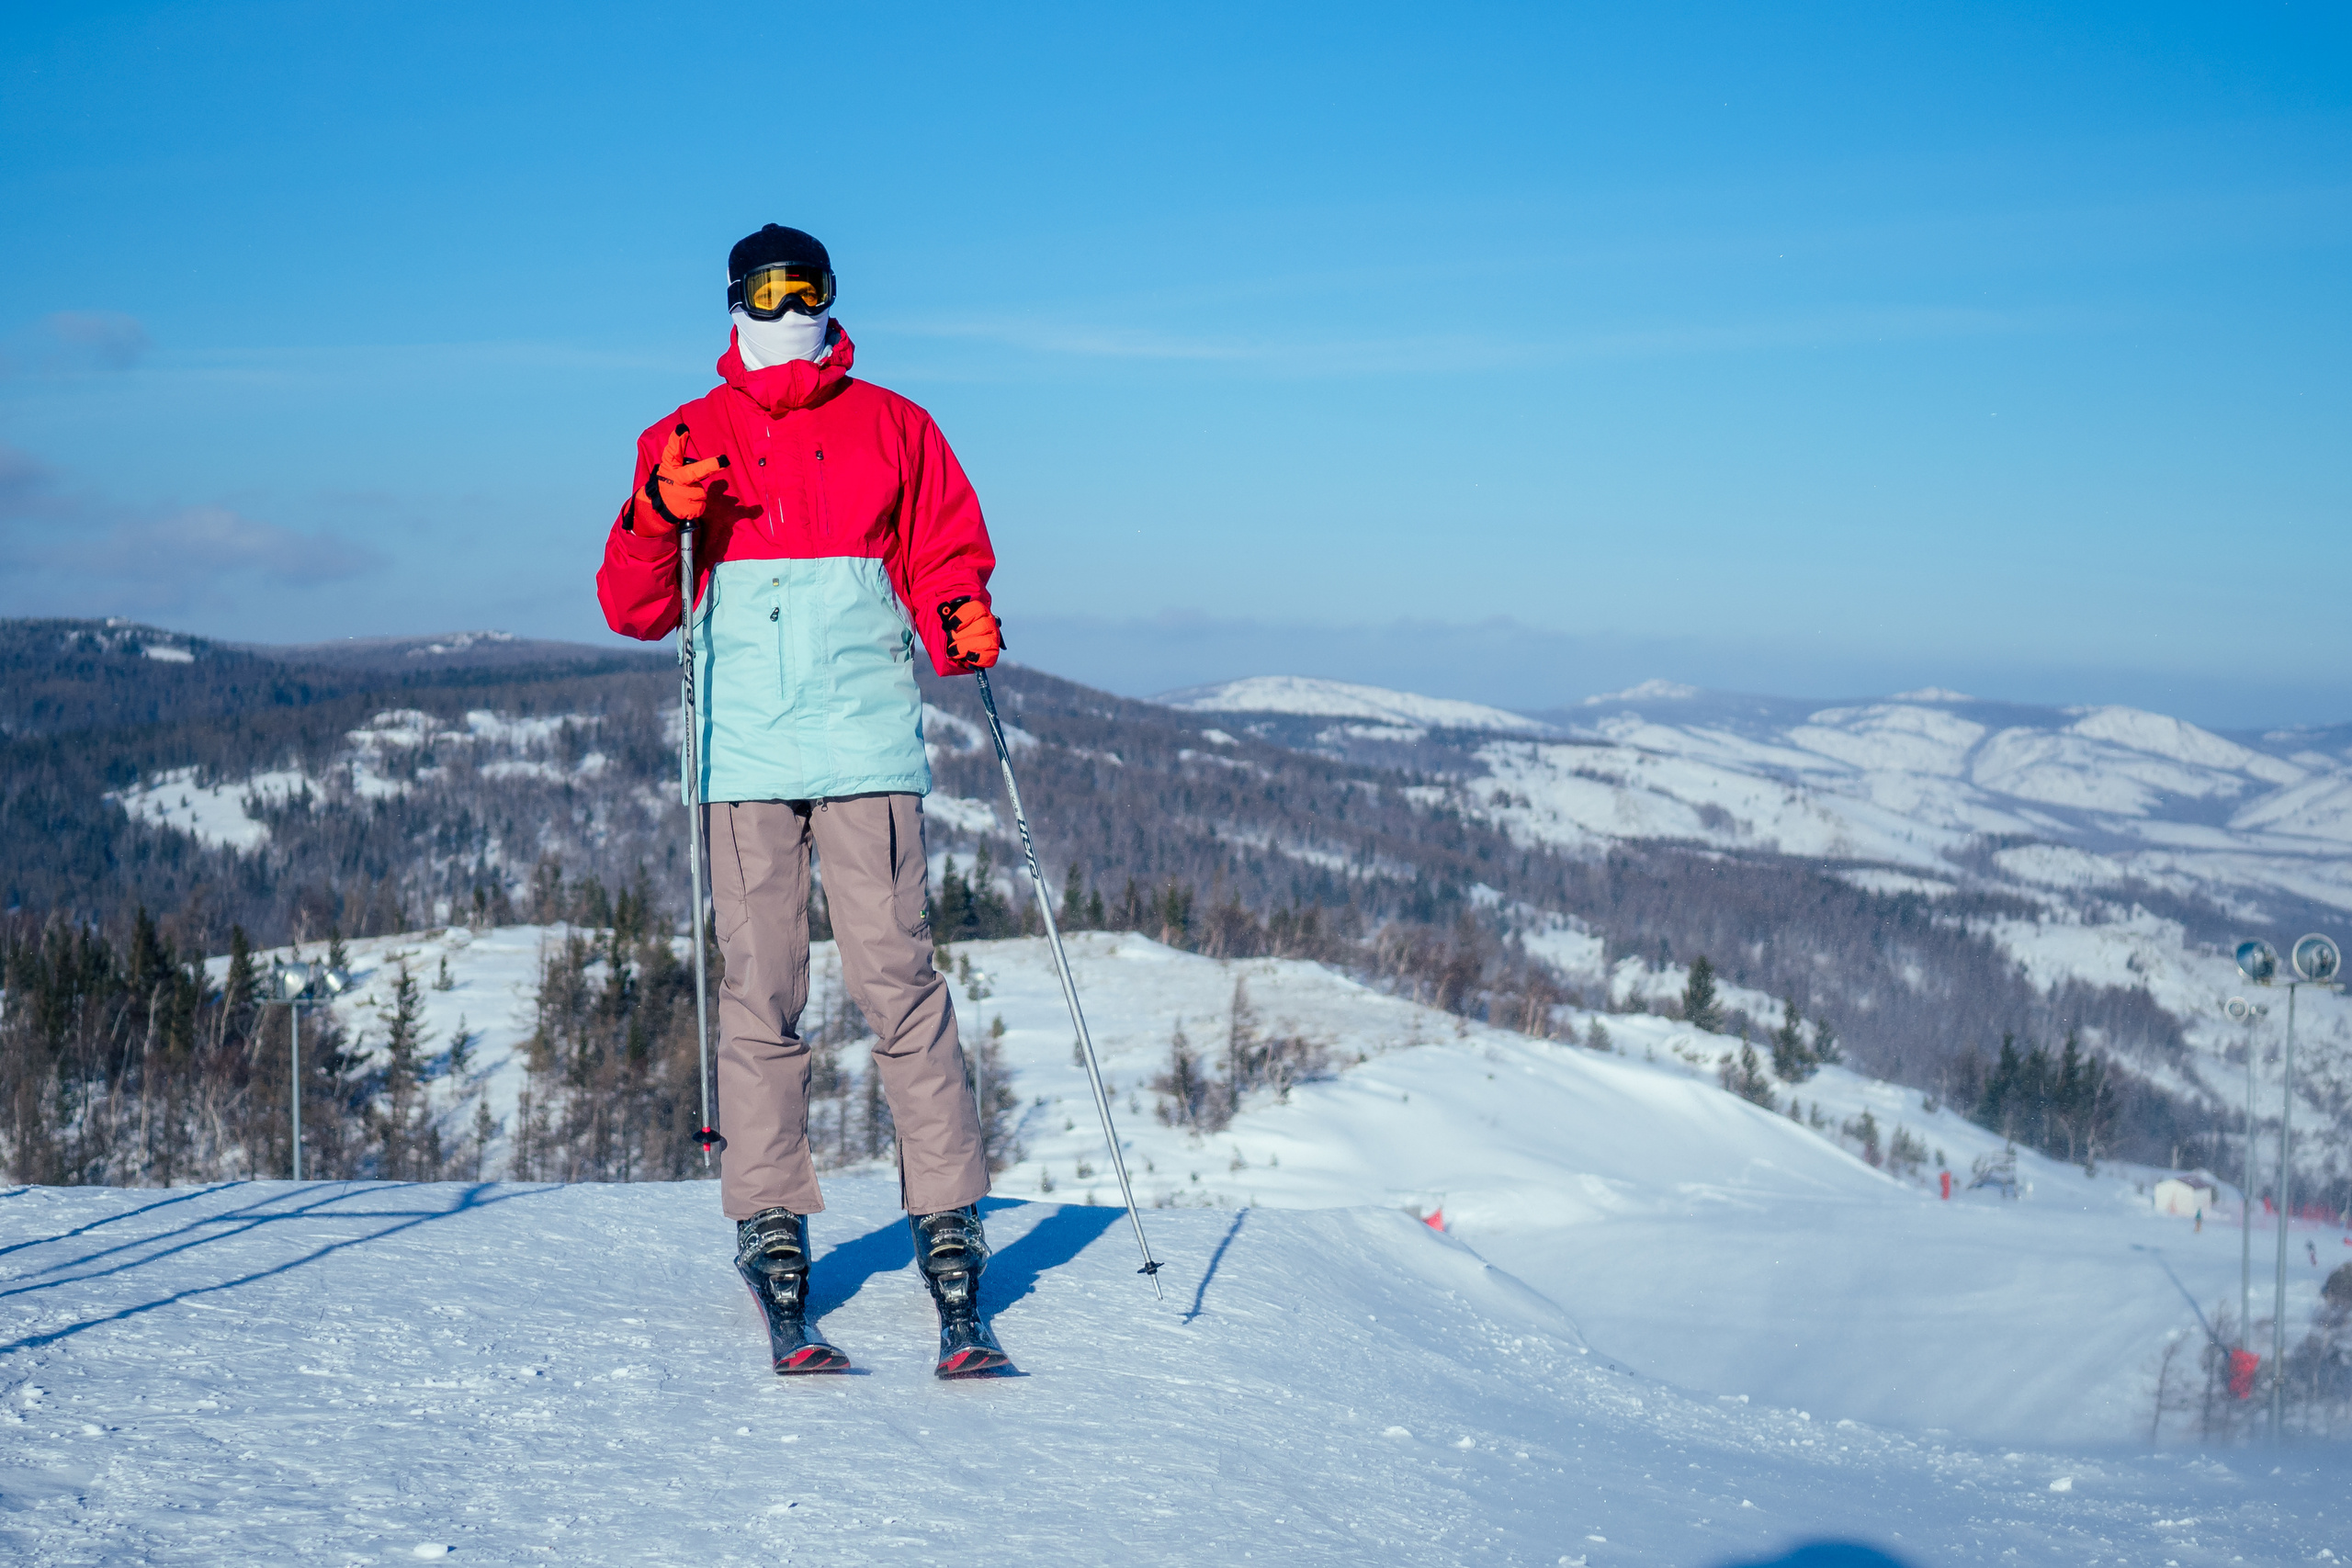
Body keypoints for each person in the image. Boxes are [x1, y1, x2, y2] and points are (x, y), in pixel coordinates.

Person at [595, 223, 1009, 1378]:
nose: (790, 307)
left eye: (808, 287)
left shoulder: (894, 425)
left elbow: (942, 556)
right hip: (745, 755)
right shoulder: (683, 437)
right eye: (770, 289)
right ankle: (769, 1218)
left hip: (868, 739)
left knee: (899, 983)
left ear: (832, 296)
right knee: (760, 990)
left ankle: (947, 1216)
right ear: (733, 299)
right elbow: (633, 607)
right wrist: (657, 515)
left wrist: (959, 618)